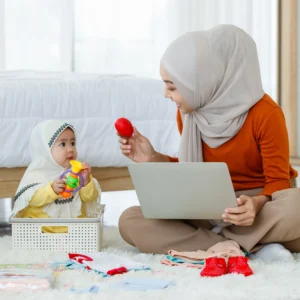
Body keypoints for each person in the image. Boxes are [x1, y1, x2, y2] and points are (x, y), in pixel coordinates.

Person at [118, 24, 300, 261]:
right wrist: (154, 159)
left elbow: (279, 183)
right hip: (208, 206)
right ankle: (249, 246)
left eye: (172, 87)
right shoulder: (189, 114)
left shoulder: (266, 114)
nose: (165, 94)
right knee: (130, 220)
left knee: (296, 206)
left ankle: (210, 242)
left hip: (258, 207)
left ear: (203, 80)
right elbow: (192, 172)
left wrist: (255, 205)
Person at [12, 120, 101, 233]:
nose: (70, 149)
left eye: (73, 143)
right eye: (63, 144)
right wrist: (51, 189)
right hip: (44, 230)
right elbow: (32, 199)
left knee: (85, 228)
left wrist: (86, 180)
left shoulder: (76, 171)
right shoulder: (38, 172)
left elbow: (89, 198)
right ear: (46, 150)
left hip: (74, 230)